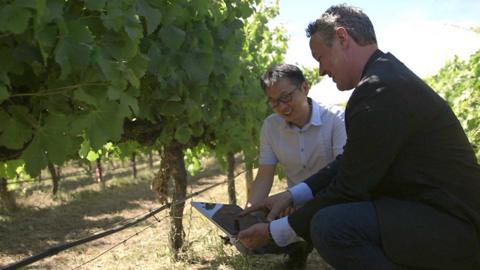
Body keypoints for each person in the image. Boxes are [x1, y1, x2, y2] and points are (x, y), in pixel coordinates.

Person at [238, 4, 480, 270]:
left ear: (342, 38)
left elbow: (350, 187)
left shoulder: (379, 89)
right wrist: (292, 196)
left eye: (320, 57)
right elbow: (350, 162)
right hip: (439, 215)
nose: (320, 70)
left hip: (456, 226)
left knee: (332, 226)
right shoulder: (385, 77)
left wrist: (277, 231)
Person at [247, 63, 347, 268]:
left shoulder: (336, 119)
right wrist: (251, 213)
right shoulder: (270, 127)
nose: (282, 107)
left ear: (305, 87)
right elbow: (265, 174)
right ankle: (297, 248)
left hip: (332, 201)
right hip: (291, 204)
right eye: (274, 102)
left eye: (286, 97)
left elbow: (343, 174)